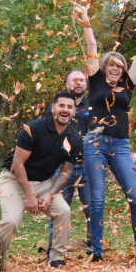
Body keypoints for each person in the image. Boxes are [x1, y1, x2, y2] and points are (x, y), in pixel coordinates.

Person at [74, 2, 136, 261]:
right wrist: (85, 19)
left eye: (119, 65)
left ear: (123, 70)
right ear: (104, 67)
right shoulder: (95, 81)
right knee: (98, 200)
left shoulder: (128, 84)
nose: (115, 68)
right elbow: (91, 47)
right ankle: (97, 252)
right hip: (96, 143)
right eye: (111, 64)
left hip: (121, 146)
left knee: (135, 198)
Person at [0, 91, 84, 268]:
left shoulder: (75, 138)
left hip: (43, 182)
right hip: (14, 179)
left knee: (63, 211)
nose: (65, 110)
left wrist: (49, 195)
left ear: (74, 112)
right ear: (53, 108)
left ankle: (57, 259)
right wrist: (29, 196)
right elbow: (18, 164)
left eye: (70, 107)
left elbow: (66, 171)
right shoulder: (33, 128)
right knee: (10, 221)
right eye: (62, 106)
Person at [46, 69, 94, 258]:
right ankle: (54, 253)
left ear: (86, 85)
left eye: (81, 80)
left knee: (92, 209)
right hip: (61, 167)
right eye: (74, 80)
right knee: (58, 210)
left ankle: (94, 251)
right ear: (67, 85)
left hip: (87, 166)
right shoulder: (56, 108)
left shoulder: (93, 108)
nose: (78, 83)